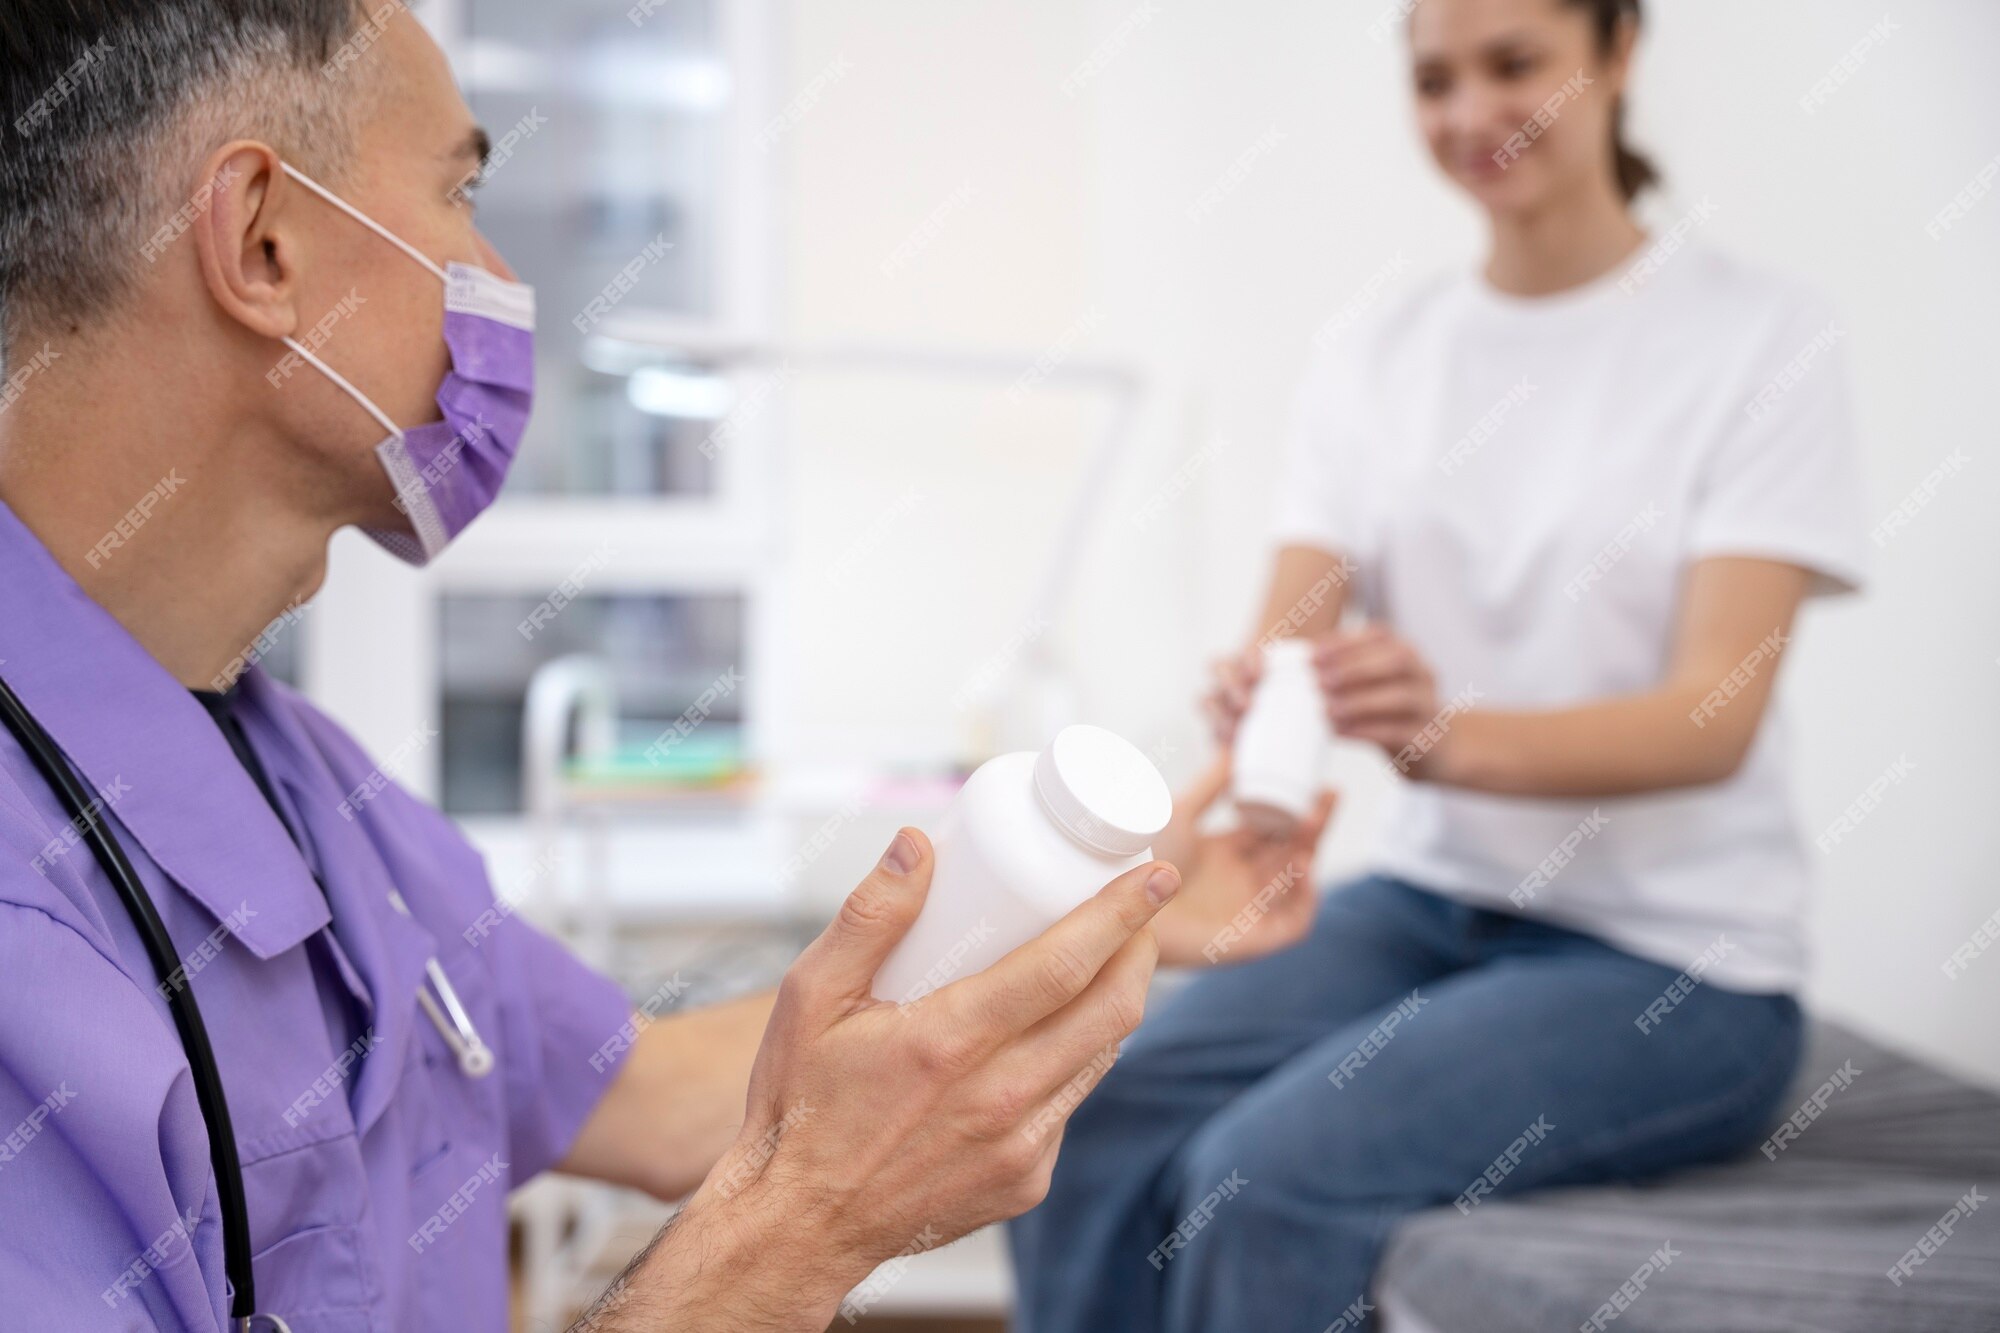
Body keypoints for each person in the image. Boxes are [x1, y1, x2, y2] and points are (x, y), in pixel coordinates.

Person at [0, 3, 1329, 1329]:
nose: (494, 273)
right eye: (457, 194)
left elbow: (654, 1089)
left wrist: (1088, 918)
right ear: (264, 243)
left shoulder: (295, 779)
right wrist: (798, 1226)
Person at [1009, 0, 1870, 1328]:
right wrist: (1268, 696)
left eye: (1515, 63)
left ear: (1620, 51)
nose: (1471, 113)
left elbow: (1713, 717)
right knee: (1092, 1104)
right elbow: (1288, 632)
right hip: (1432, 903)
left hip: (1676, 966)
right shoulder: (1379, 351)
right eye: (1435, 80)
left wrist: (1444, 736)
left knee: (1263, 1176)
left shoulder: (1759, 339)